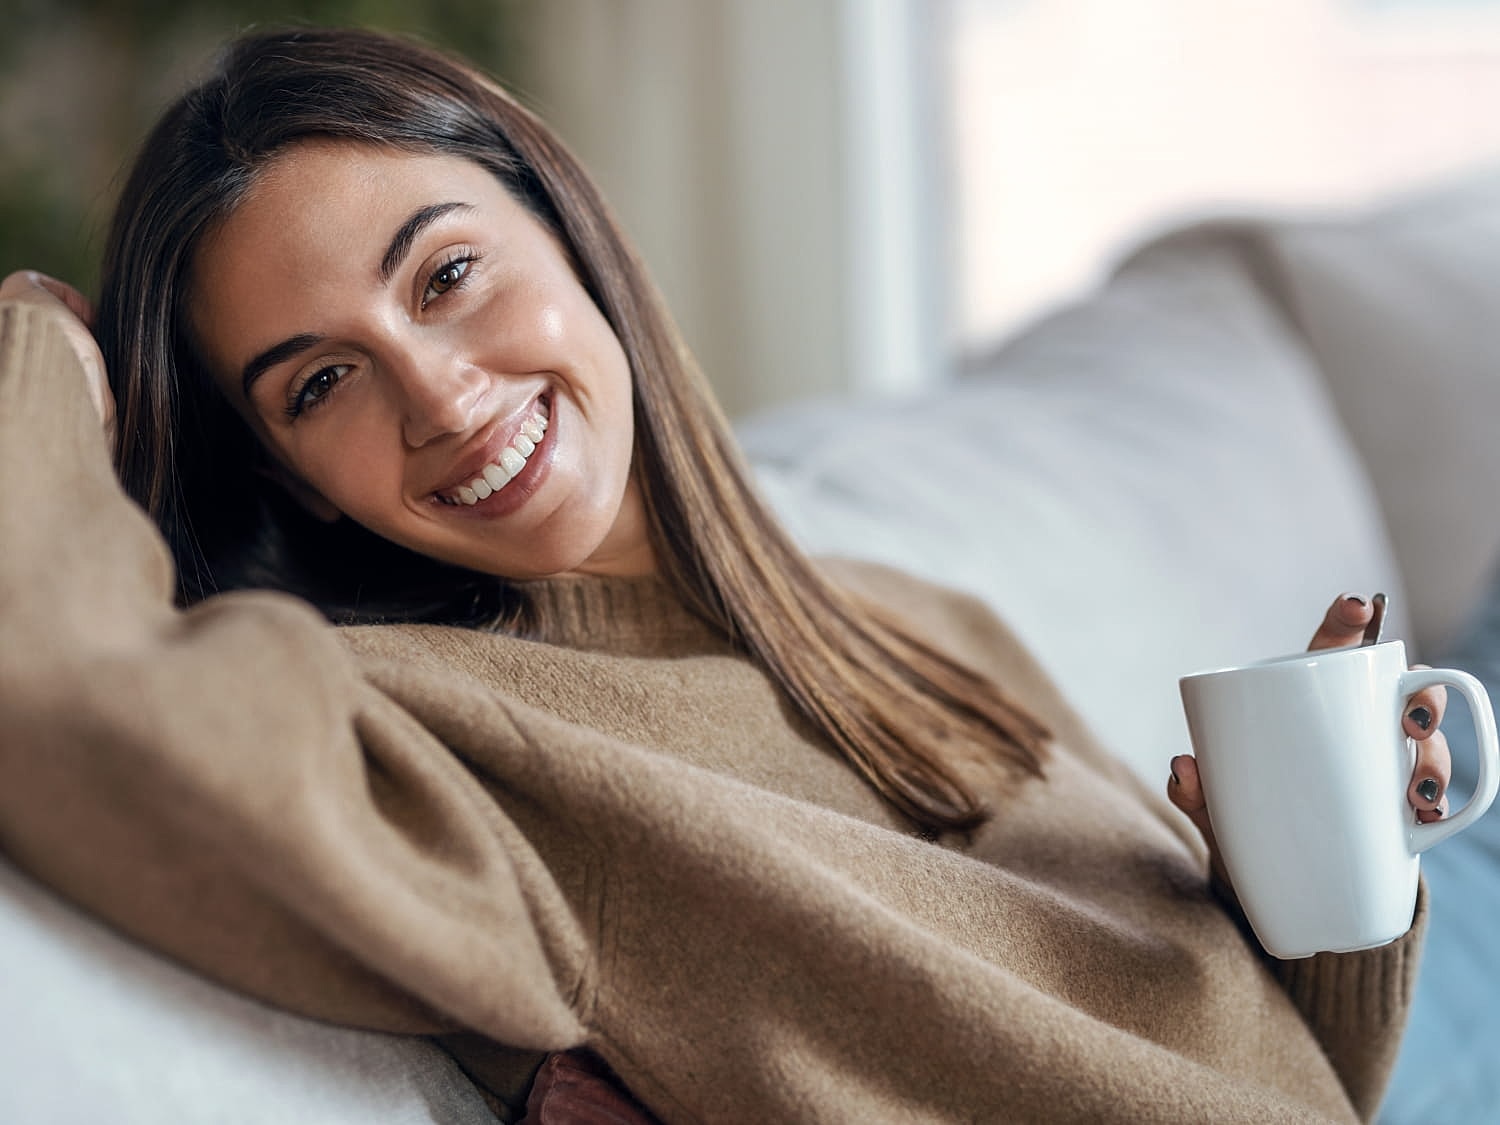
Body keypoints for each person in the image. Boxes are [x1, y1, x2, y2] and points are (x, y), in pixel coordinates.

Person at [0, 25, 1454, 1124]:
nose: (438, 398)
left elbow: (1302, 1074)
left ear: (570, 234)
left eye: (447, 275)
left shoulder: (900, 621)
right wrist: (40, 352)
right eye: (323, 382)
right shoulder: (452, 736)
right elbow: (55, 704)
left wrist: (1342, 882)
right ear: (288, 478)